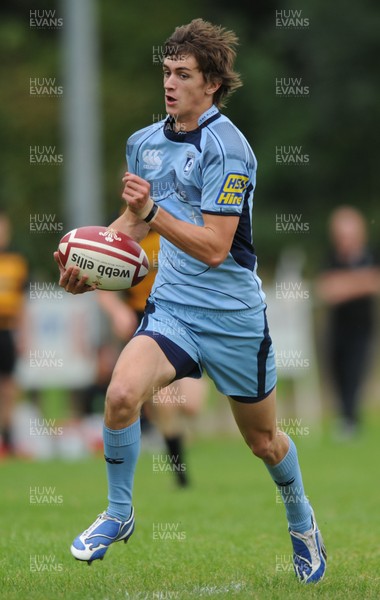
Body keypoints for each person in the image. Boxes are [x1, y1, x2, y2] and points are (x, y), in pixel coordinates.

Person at [54, 19, 326, 583]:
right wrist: (88, 264)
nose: (170, 84)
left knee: (262, 441)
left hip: (232, 319)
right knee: (122, 393)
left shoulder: (230, 150)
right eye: (166, 72)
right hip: (173, 308)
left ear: (212, 85)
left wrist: (153, 215)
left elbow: (214, 247)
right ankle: (120, 513)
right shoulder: (145, 142)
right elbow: (132, 219)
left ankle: (300, 517)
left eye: (183, 74)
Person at [315, 206, 380, 438]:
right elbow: (326, 289)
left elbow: (375, 281)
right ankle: (344, 417)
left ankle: (351, 420)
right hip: (337, 328)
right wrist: (362, 281)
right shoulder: (331, 258)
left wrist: (346, 285)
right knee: (337, 371)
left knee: (355, 370)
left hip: (362, 327)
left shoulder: (371, 254)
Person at [0, 211, 28, 456]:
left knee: (9, 387)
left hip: (7, 330)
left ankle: (7, 440)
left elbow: (24, 303)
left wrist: (24, 335)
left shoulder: (16, 261)